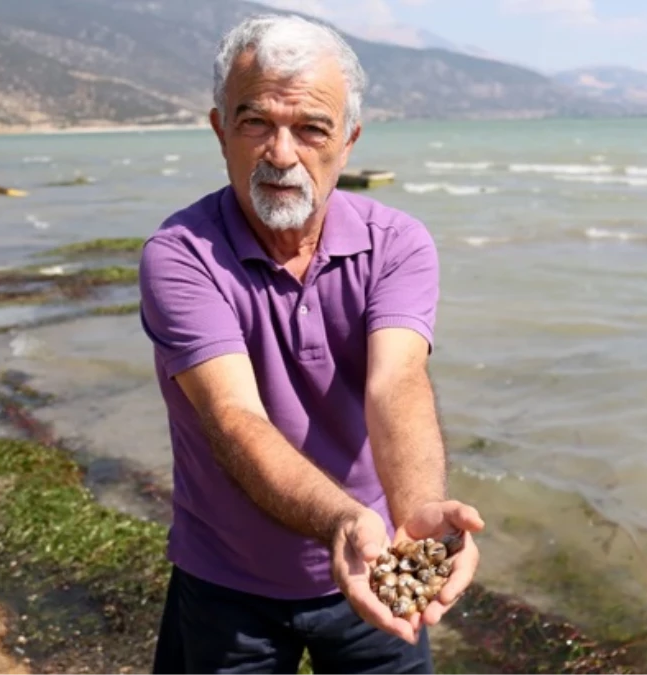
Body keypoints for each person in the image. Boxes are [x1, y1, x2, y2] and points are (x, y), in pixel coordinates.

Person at [137, 13, 485, 675]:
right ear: (220, 131)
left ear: (348, 140)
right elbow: (235, 418)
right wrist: (341, 520)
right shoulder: (180, 256)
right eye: (256, 122)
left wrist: (416, 516)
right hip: (226, 584)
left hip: (379, 563)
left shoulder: (398, 244)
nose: (281, 153)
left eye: (311, 128)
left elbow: (397, 383)